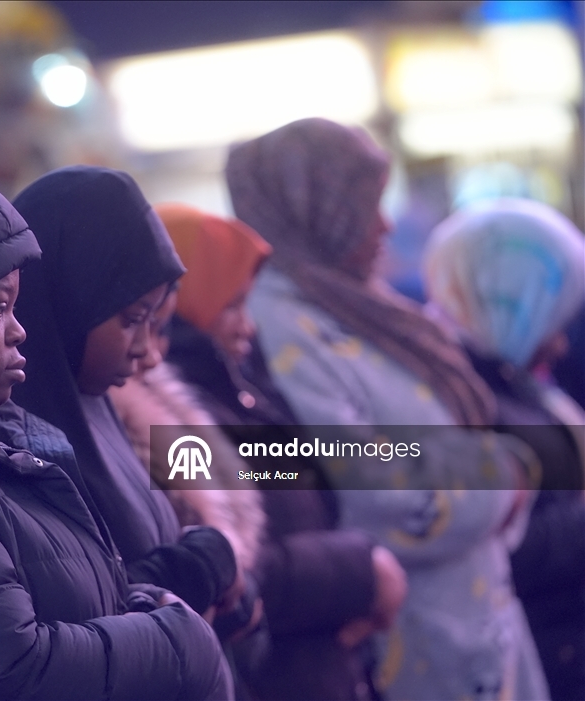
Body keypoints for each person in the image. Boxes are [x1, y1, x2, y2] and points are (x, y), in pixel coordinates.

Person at [0, 154, 231, 701]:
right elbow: (8, 666)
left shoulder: (29, 433)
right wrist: (187, 625)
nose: (151, 352)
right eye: (133, 319)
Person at [225, 117, 549, 701]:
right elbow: (375, 487)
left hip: (472, 625)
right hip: (412, 649)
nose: (386, 225)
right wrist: (504, 474)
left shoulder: (354, 303)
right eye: (366, 207)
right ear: (316, 213)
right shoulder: (280, 332)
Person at [154, 203, 406, 701]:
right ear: (182, 304)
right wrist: (359, 572)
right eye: (231, 306)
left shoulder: (241, 389)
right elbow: (217, 566)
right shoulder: (168, 419)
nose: (248, 326)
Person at [11, 167, 241, 628]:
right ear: (72, 302)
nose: (145, 350)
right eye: (133, 320)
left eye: (155, 322)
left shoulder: (97, 408)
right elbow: (85, 611)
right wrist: (201, 568)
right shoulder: (15, 446)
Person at [424, 198, 585, 701]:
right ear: (507, 299)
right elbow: (498, 544)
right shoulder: (457, 400)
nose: (559, 345)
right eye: (548, 317)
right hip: (538, 651)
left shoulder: (513, 382)